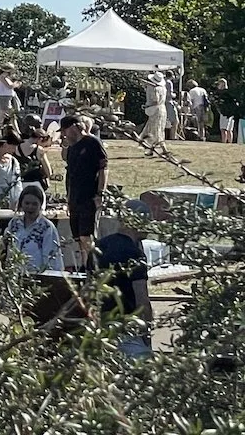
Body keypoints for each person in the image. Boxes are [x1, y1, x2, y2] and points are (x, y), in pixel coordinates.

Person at [96, 200, 154, 357]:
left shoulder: (99, 246)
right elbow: (142, 300)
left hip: (99, 326)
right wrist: (146, 336)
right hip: (126, 328)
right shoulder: (135, 254)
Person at [61, 114, 108, 262]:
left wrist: (101, 193)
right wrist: (68, 199)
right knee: (78, 238)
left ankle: (97, 266)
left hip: (89, 196)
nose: (63, 134)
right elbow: (70, 174)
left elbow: (103, 167)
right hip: (75, 198)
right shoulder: (72, 147)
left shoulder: (92, 142)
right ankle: (84, 268)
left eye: (65, 130)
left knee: (86, 236)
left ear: (74, 127)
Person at [3, 184, 64, 273]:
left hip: (37, 277)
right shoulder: (14, 223)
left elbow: (53, 259)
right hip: (13, 275)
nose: (30, 207)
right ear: (21, 203)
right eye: (27, 203)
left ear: (40, 205)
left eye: (34, 204)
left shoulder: (47, 228)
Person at [140, 72, 169, 151]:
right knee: (154, 129)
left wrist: (146, 106)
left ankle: (163, 149)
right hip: (162, 109)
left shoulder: (155, 89)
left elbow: (155, 101)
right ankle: (150, 149)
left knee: (156, 130)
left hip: (156, 110)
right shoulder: (163, 88)